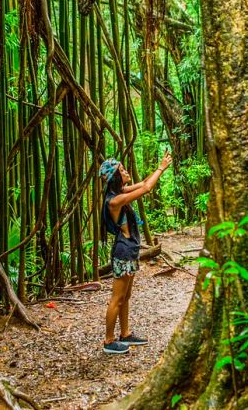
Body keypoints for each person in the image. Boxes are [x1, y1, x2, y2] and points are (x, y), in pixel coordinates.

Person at [99, 150, 172, 354]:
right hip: (123, 251)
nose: (126, 171)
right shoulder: (114, 201)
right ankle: (108, 340)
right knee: (117, 297)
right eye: (122, 170)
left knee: (126, 295)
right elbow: (147, 188)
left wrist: (160, 168)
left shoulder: (120, 192)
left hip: (130, 250)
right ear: (115, 177)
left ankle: (125, 333)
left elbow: (144, 184)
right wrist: (161, 167)